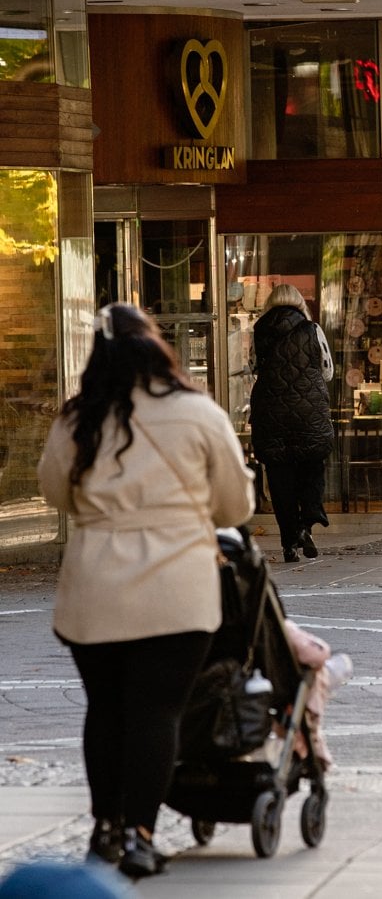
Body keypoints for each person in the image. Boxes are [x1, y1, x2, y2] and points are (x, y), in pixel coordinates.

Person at [36, 304, 255, 877]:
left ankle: (104, 827)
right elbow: (236, 505)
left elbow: (56, 493)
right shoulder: (198, 412)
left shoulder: (77, 419)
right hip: (178, 590)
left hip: (94, 586)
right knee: (159, 711)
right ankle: (140, 835)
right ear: (156, 348)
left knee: (105, 710)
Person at [250, 284, 334, 562]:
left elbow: (253, 369)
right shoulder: (312, 329)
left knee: (279, 477)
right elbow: (328, 370)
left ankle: (288, 543)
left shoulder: (259, 330)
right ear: (299, 303)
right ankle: (307, 526)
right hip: (308, 411)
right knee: (311, 465)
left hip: (271, 413)